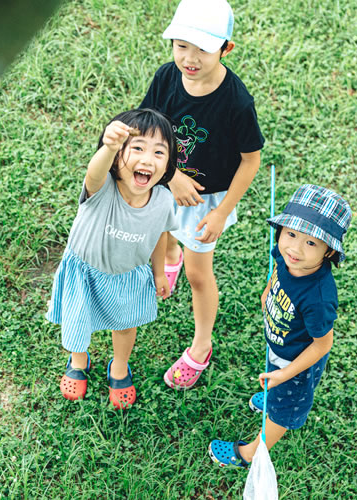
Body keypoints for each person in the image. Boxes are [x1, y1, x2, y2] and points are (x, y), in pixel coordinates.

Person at [140, 0, 264, 390]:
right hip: (166, 181)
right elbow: (146, 128)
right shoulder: (166, 78)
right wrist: (171, 174)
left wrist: (222, 213)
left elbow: (250, 161)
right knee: (160, 232)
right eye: (181, 46)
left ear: (226, 48)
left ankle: (200, 346)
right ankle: (170, 258)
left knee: (198, 273)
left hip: (208, 200)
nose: (189, 58)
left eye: (203, 49)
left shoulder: (237, 102)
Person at [208, 184, 352, 467]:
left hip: (297, 362)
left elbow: (323, 344)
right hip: (281, 346)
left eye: (311, 242)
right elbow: (279, 266)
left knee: (283, 412)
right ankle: (274, 394)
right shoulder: (286, 256)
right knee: (275, 387)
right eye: (291, 234)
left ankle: (250, 453)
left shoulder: (318, 297)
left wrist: (285, 374)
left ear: (328, 252)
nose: (295, 248)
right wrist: (268, 290)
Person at [46, 108, 178, 410]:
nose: (147, 160)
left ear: (169, 164)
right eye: (137, 148)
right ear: (118, 158)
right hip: (85, 272)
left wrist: (160, 273)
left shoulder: (162, 201)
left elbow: (161, 236)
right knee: (77, 320)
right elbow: (94, 172)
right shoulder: (102, 187)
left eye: (159, 152)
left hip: (128, 275)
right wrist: (108, 146)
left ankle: (119, 366)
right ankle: (78, 361)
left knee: (125, 326)